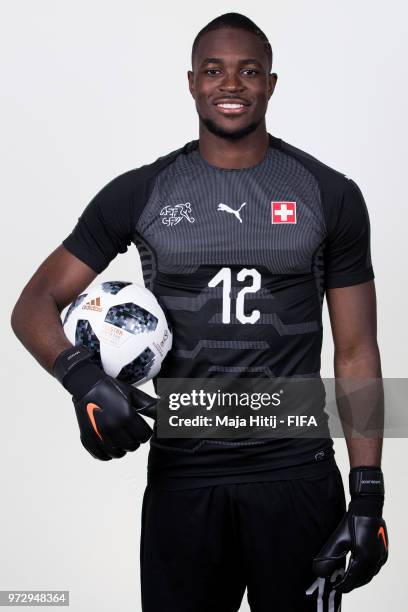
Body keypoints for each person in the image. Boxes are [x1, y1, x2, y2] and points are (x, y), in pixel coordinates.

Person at [11, 12, 388, 612]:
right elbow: (33, 305)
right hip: (185, 480)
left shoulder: (329, 194)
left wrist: (368, 492)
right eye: (214, 71)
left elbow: (357, 350)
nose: (231, 85)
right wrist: (81, 380)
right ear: (191, 82)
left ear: (271, 83)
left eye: (248, 71)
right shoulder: (142, 192)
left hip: (297, 477)